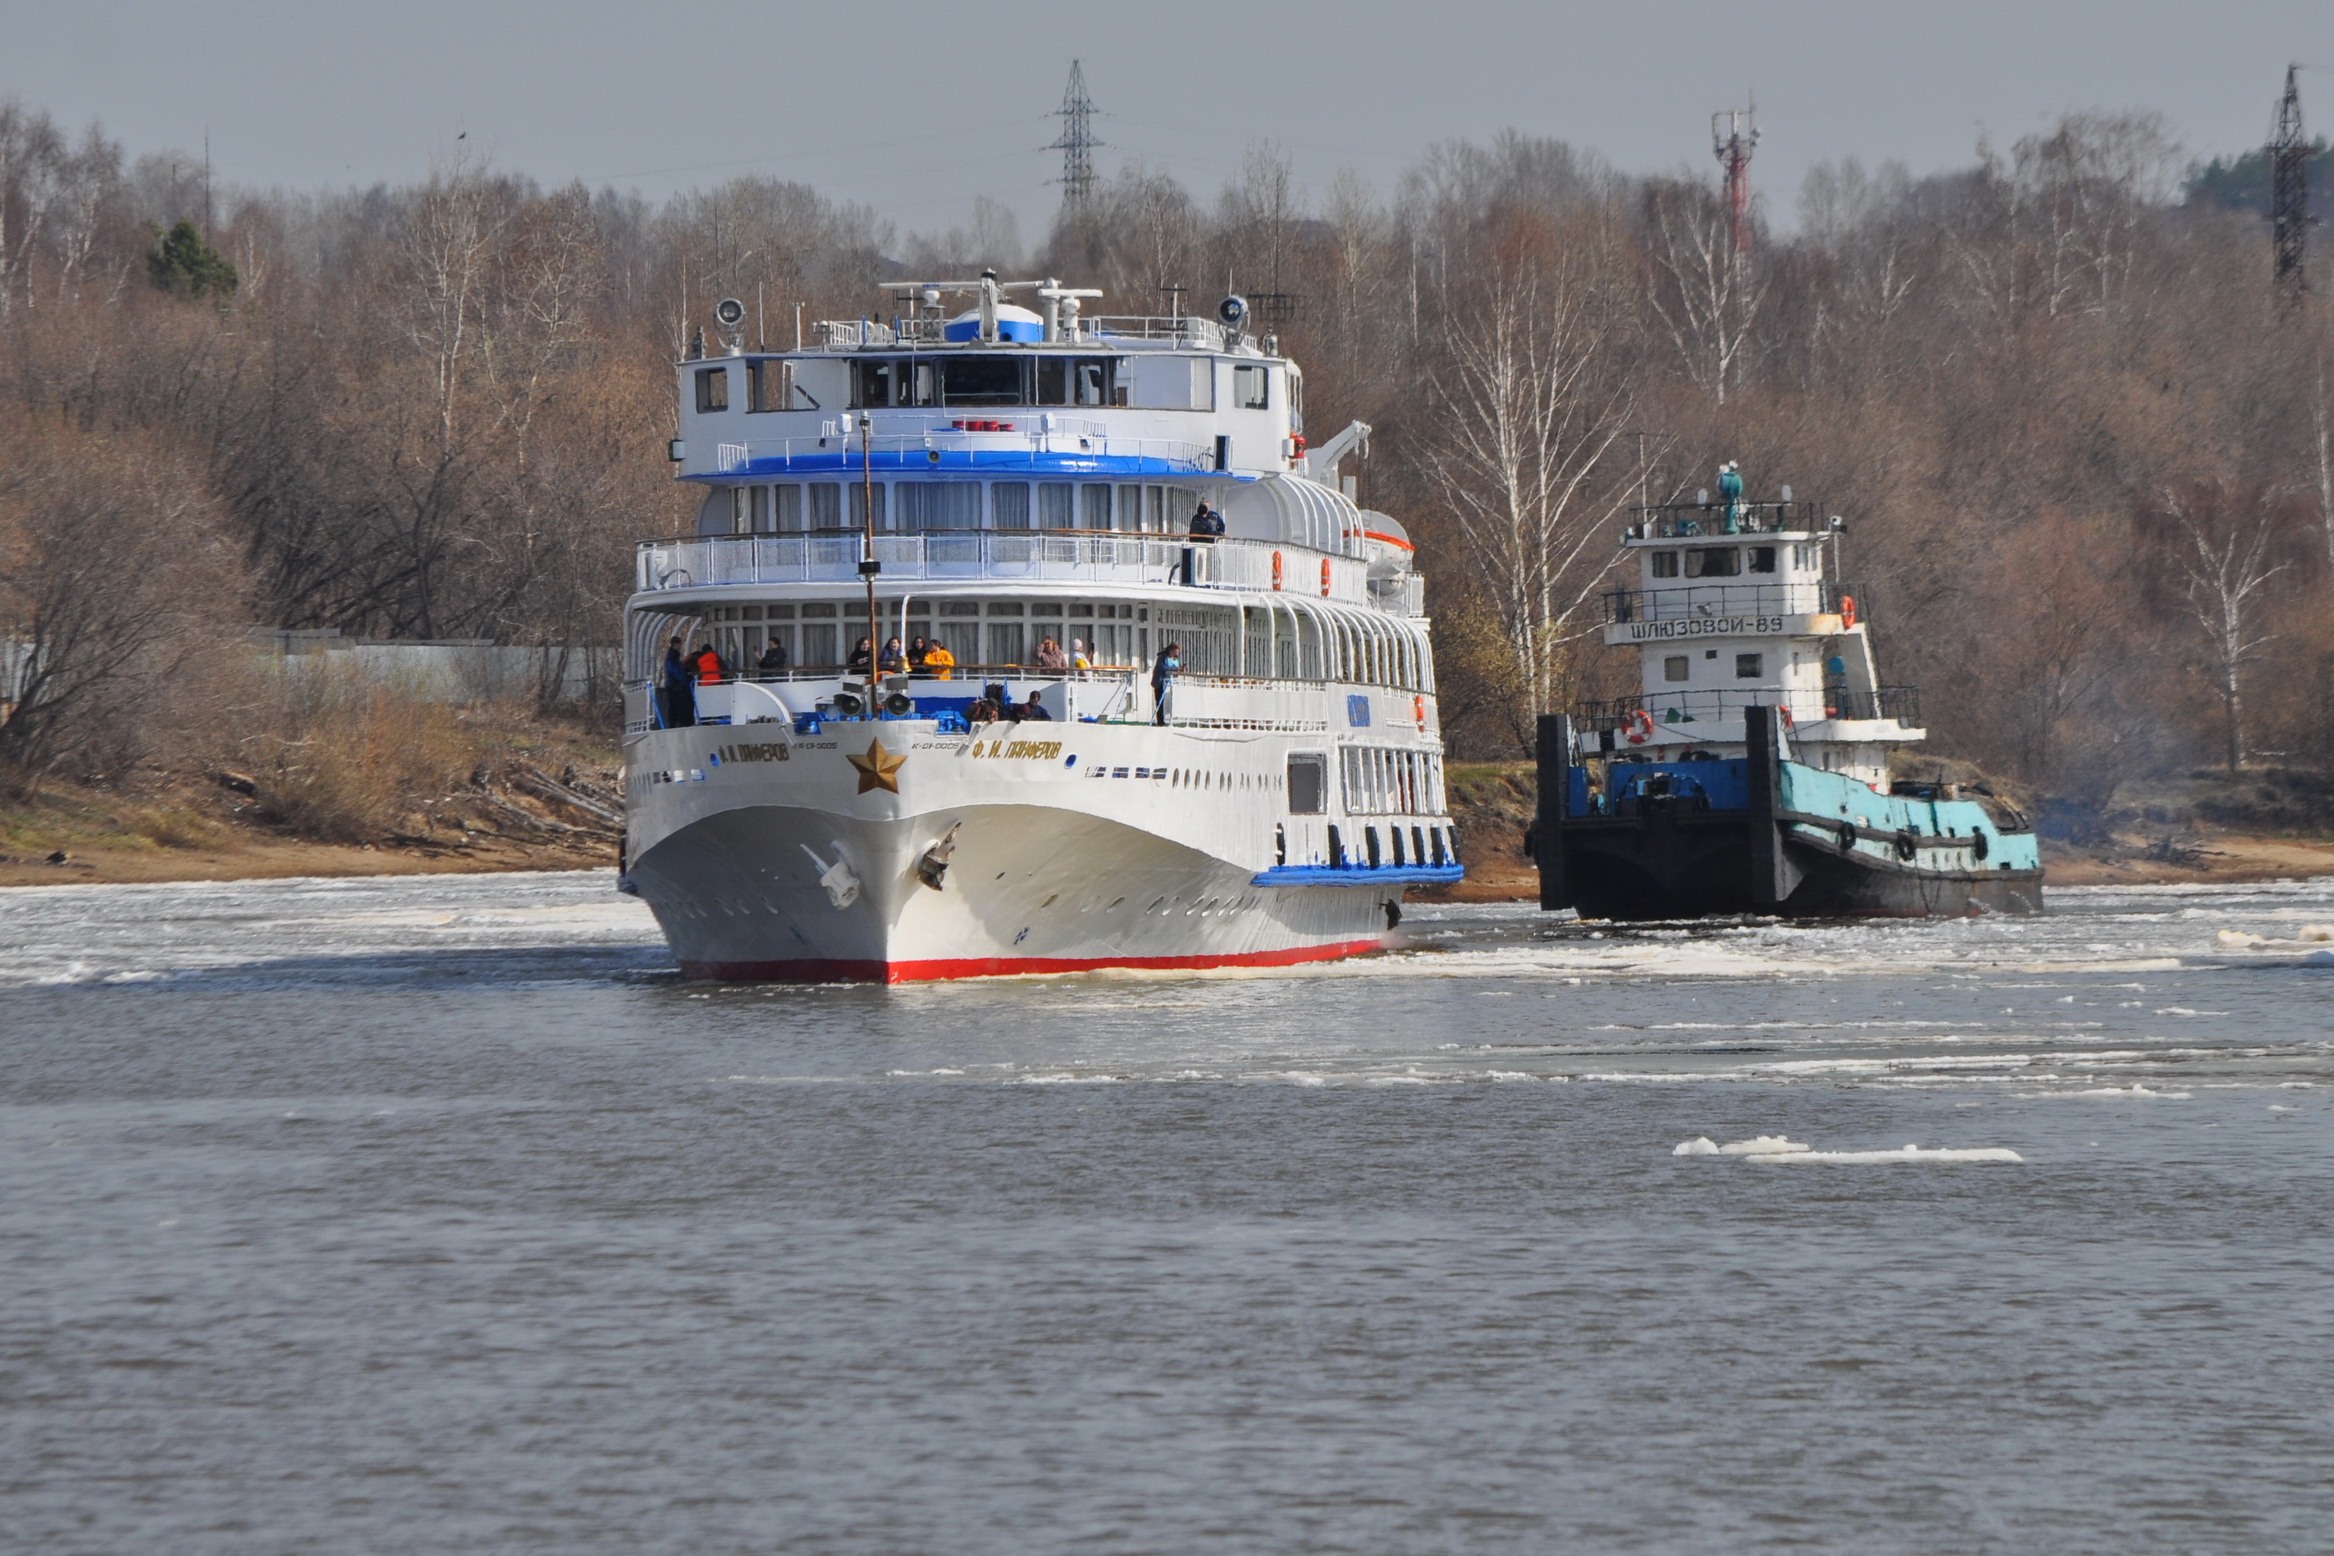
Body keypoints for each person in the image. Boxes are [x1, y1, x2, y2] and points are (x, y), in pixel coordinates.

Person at [661, 635, 695, 728]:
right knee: (679, 706)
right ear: (676, 644)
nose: (681, 646)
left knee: (674, 707)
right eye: (680, 644)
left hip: (673, 685)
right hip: (676, 686)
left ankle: (675, 724)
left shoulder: (671, 656)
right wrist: (682, 680)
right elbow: (674, 671)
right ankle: (682, 723)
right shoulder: (673, 656)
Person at [1151, 641, 1181, 726]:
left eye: (1177, 652)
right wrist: (1174, 668)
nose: (1176, 654)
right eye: (1175, 652)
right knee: (1160, 701)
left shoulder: (1176, 658)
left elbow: (1176, 667)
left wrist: (1180, 669)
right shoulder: (1162, 657)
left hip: (1171, 682)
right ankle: (1160, 721)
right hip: (1160, 682)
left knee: (1169, 701)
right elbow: (1161, 667)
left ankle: (1170, 718)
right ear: (1170, 650)